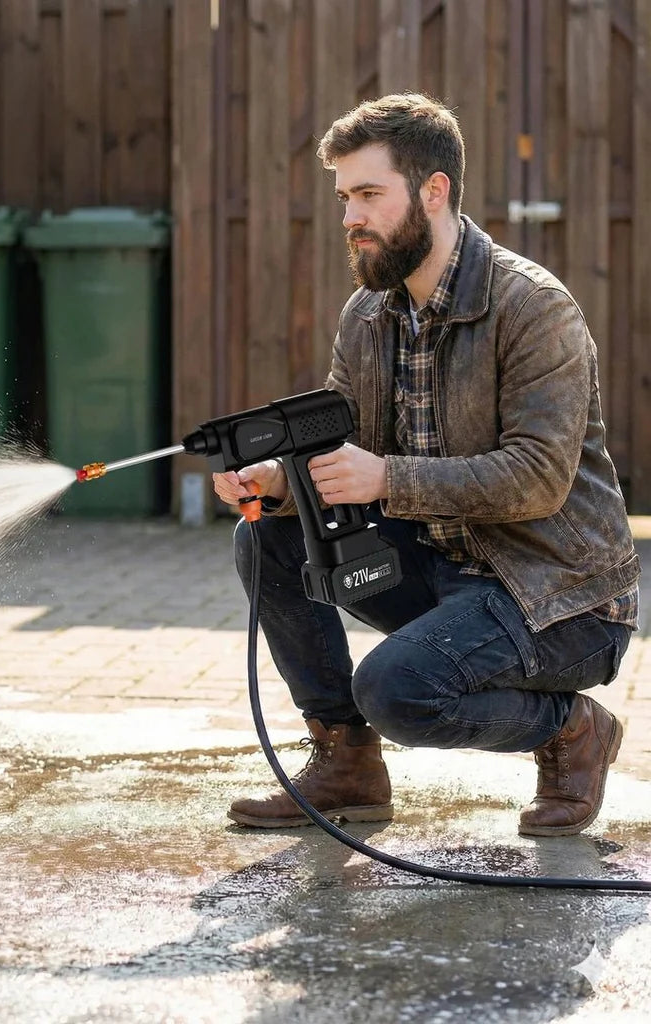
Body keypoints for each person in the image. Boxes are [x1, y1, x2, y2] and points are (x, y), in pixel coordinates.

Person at [214, 93, 640, 837]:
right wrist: (281, 486)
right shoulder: (368, 315)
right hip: (449, 573)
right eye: (345, 196)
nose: (350, 216)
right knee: (268, 538)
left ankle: (573, 730)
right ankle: (347, 762)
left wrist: (389, 479)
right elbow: (339, 454)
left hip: (560, 595)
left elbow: (538, 477)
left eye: (369, 194)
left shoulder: (534, 308)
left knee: (399, 690)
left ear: (433, 191)